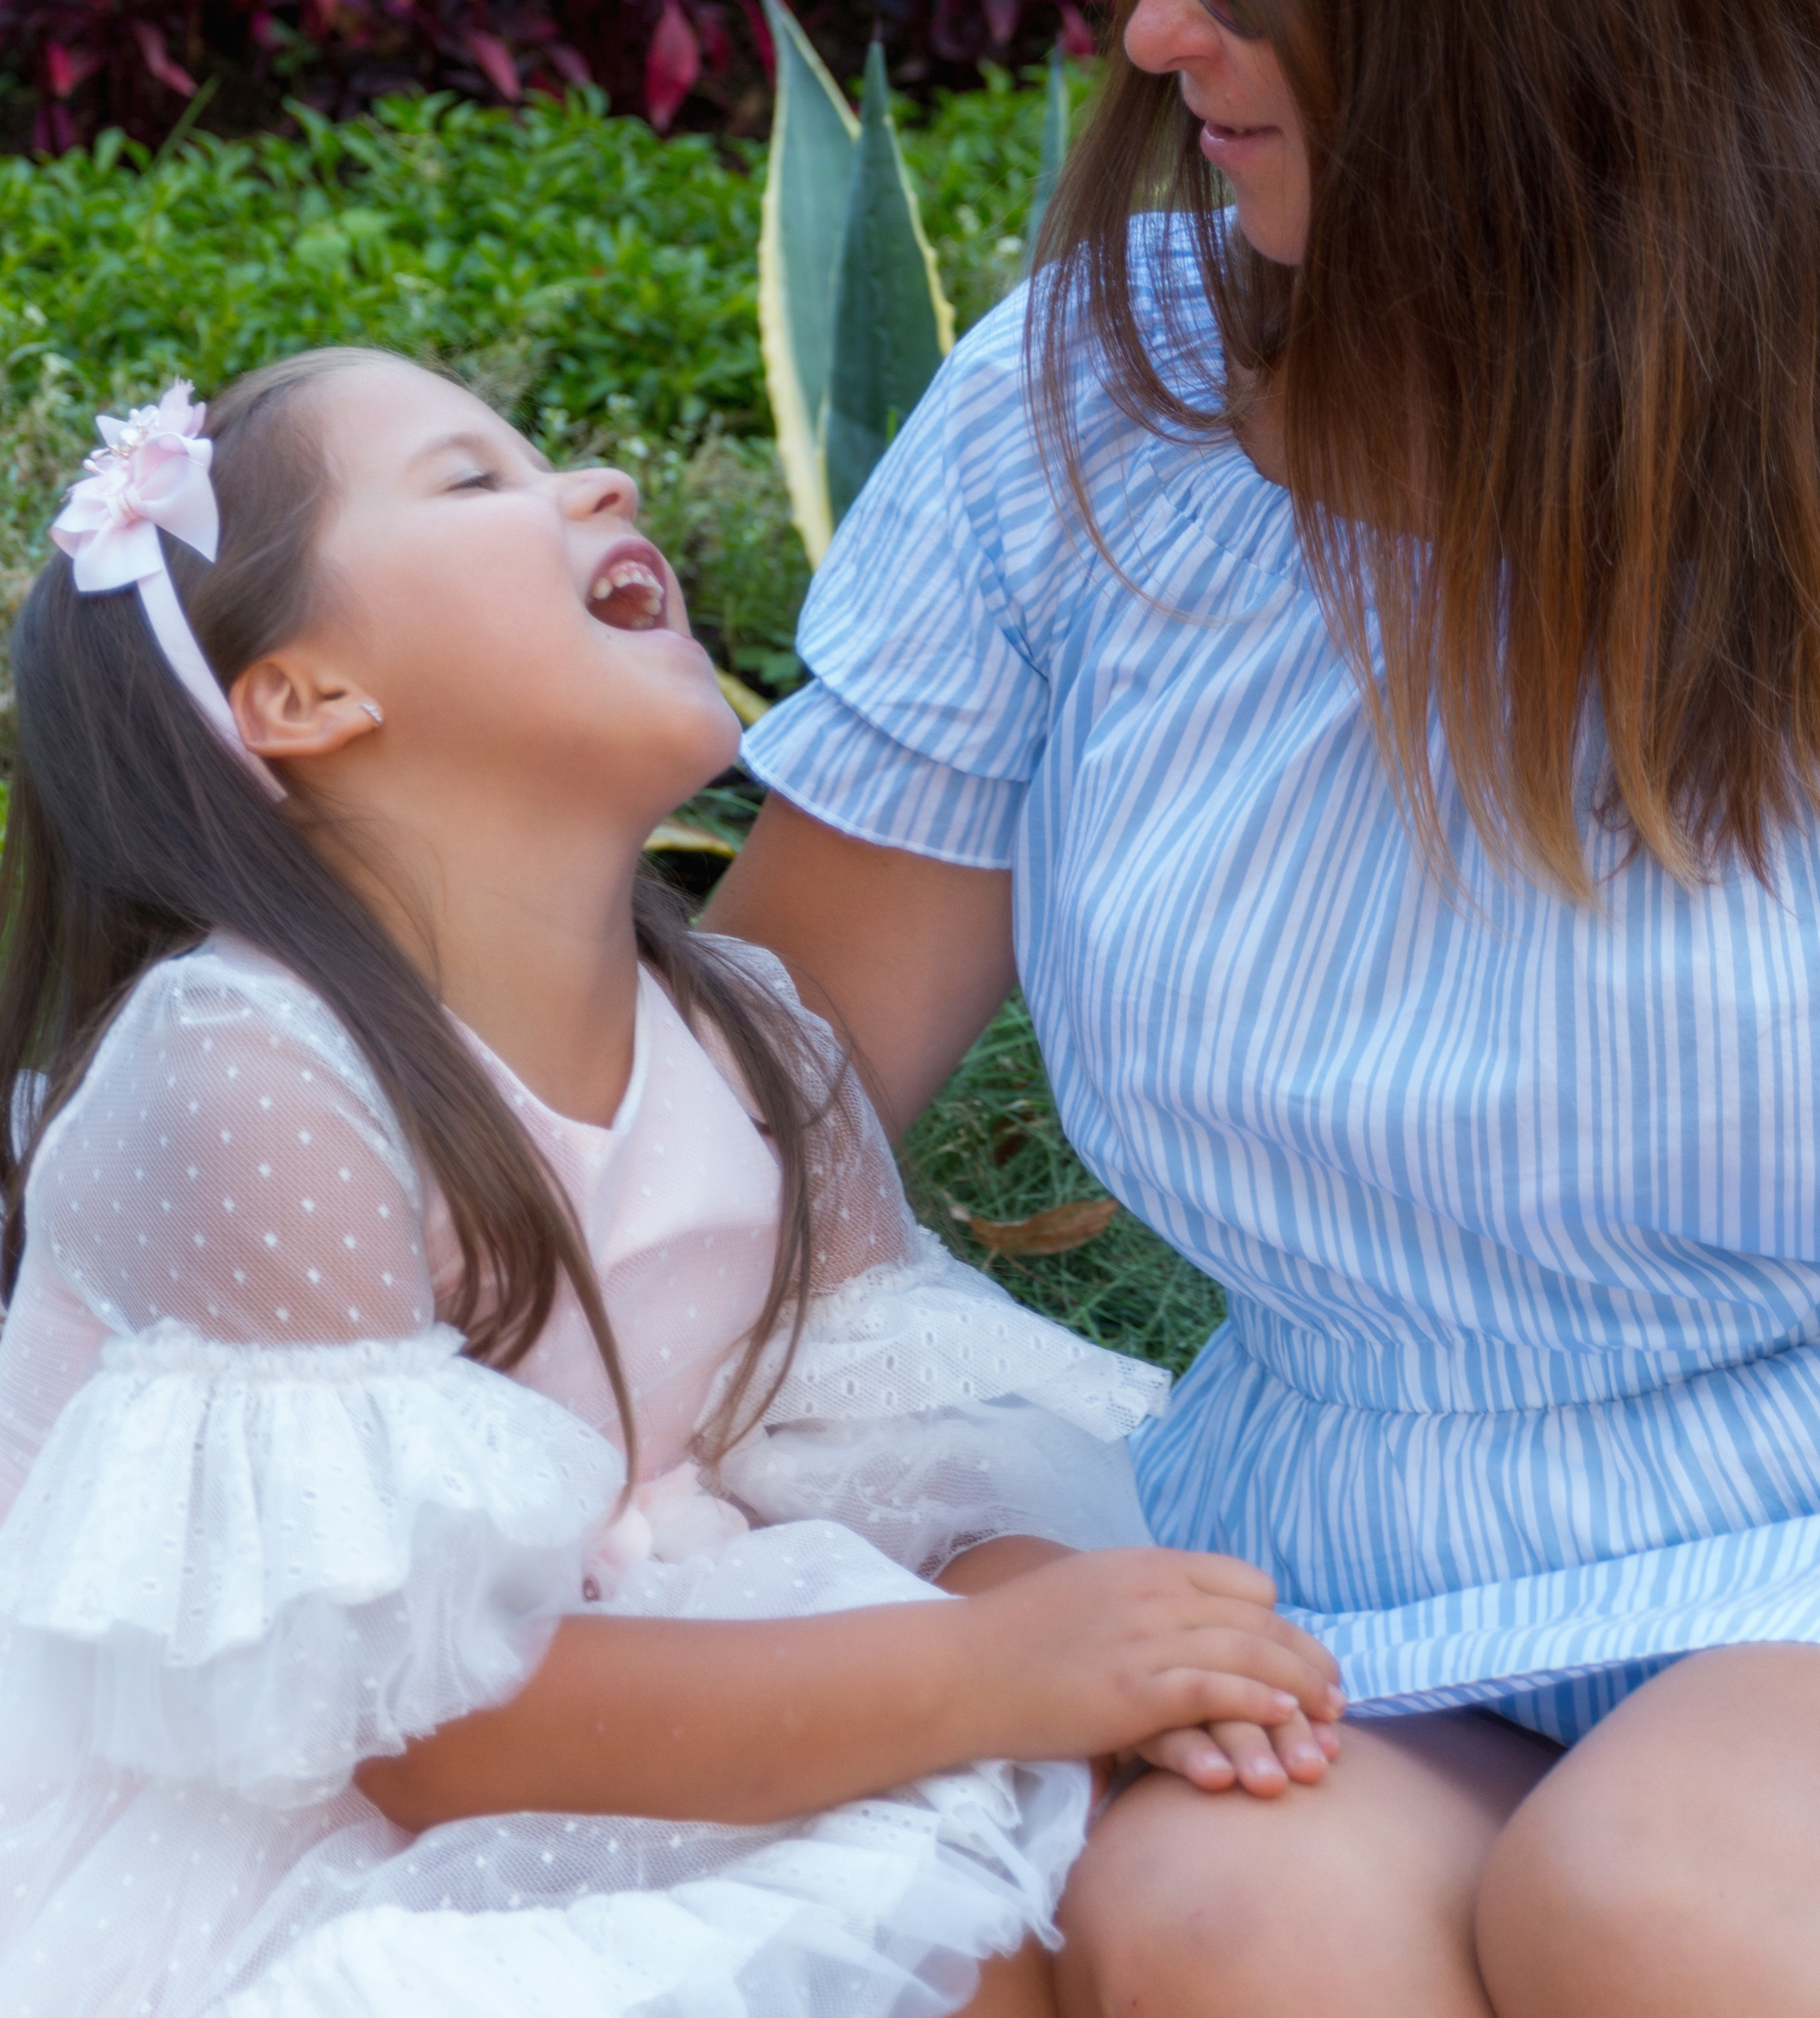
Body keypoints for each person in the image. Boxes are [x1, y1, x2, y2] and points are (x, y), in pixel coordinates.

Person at [714, 0, 1820, 2018]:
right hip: (1330, 1522)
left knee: (1657, 1899)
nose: (1149, 31)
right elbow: (758, 1080)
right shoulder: (1080, 414)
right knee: (1225, 1919)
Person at [0, 355, 1343, 2018]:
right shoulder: (244, 1069)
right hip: (306, 1826)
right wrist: (992, 1670)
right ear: (306, 695)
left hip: (646, 1672)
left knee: (1015, 1890)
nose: (601, 485)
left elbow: (924, 1462)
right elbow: (419, 1735)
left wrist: (1087, 1638)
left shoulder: (746, 1039)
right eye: (473, 481)